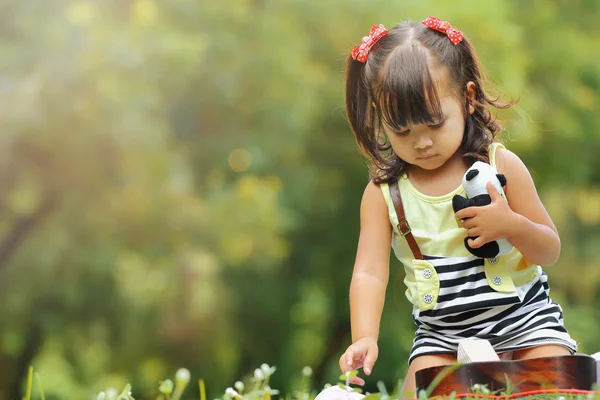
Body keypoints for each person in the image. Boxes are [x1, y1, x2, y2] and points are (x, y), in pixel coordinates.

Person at [337, 17, 578, 396]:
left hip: (526, 322)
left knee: (553, 387)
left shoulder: (501, 167)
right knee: (425, 391)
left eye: (434, 124)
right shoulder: (384, 193)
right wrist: (364, 335)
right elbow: (369, 272)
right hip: (443, 337)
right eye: (402, 131)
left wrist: (511, 224)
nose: (421, 143)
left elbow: (549, 249)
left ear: (467, 98)